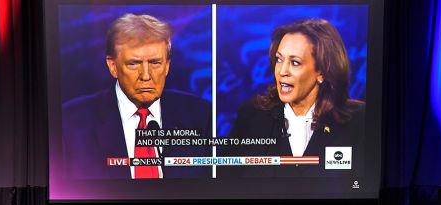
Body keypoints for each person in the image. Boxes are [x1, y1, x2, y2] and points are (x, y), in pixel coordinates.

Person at [62, 13, 211, 179]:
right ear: (113, 66)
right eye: (133, 64)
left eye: (155, 63)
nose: (146, 75)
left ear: (167, 66)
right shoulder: (71, 122)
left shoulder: (200, 114)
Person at [224, 18, 365, 178]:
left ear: (322, 71)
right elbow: (227, 182)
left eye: (295, 62)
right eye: (279, 59)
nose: (282, 71)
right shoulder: (251, 116)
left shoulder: (359, 120)